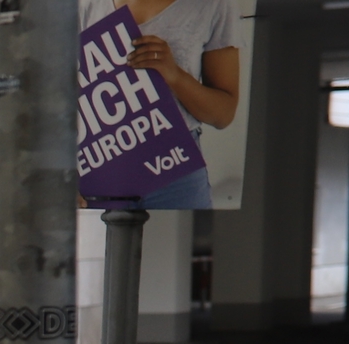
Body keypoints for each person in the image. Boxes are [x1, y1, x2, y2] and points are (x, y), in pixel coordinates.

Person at [83, 0, 242, 209]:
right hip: (98, 170)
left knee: (181, 241)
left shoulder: (215, 5)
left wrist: (174, 75)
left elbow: (223, 115)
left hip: (175, 175)